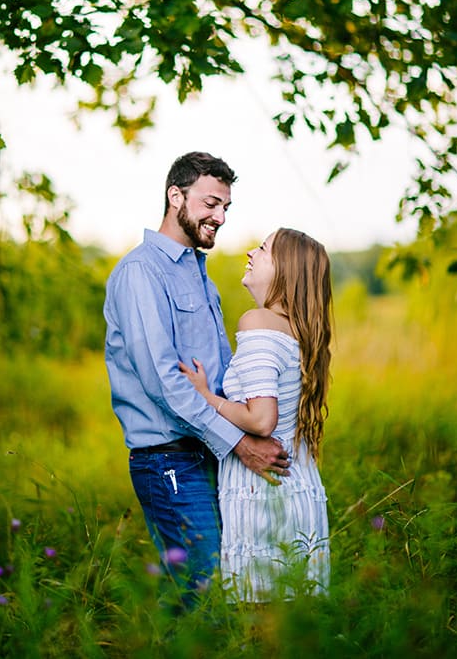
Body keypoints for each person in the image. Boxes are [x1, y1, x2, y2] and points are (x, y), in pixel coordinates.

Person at [103, 152, 291, 606]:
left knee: (226, 589)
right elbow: (164, 383)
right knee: (200, 594)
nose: (219, 217)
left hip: (208, 452)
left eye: (226, 207)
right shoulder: (140, 272)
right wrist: (240, 444)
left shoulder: (199, 275)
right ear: (175, 196)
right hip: (168, 460)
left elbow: (219, 377)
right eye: (211, 203)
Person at [179, 227, 332, 601]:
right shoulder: (298, 331)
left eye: (263, 249)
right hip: (297, 489)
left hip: (265, 496)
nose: (251, 252)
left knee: (259, 627)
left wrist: (205, 396)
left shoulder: (258, 323)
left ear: (284, 270)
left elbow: (262, 420)